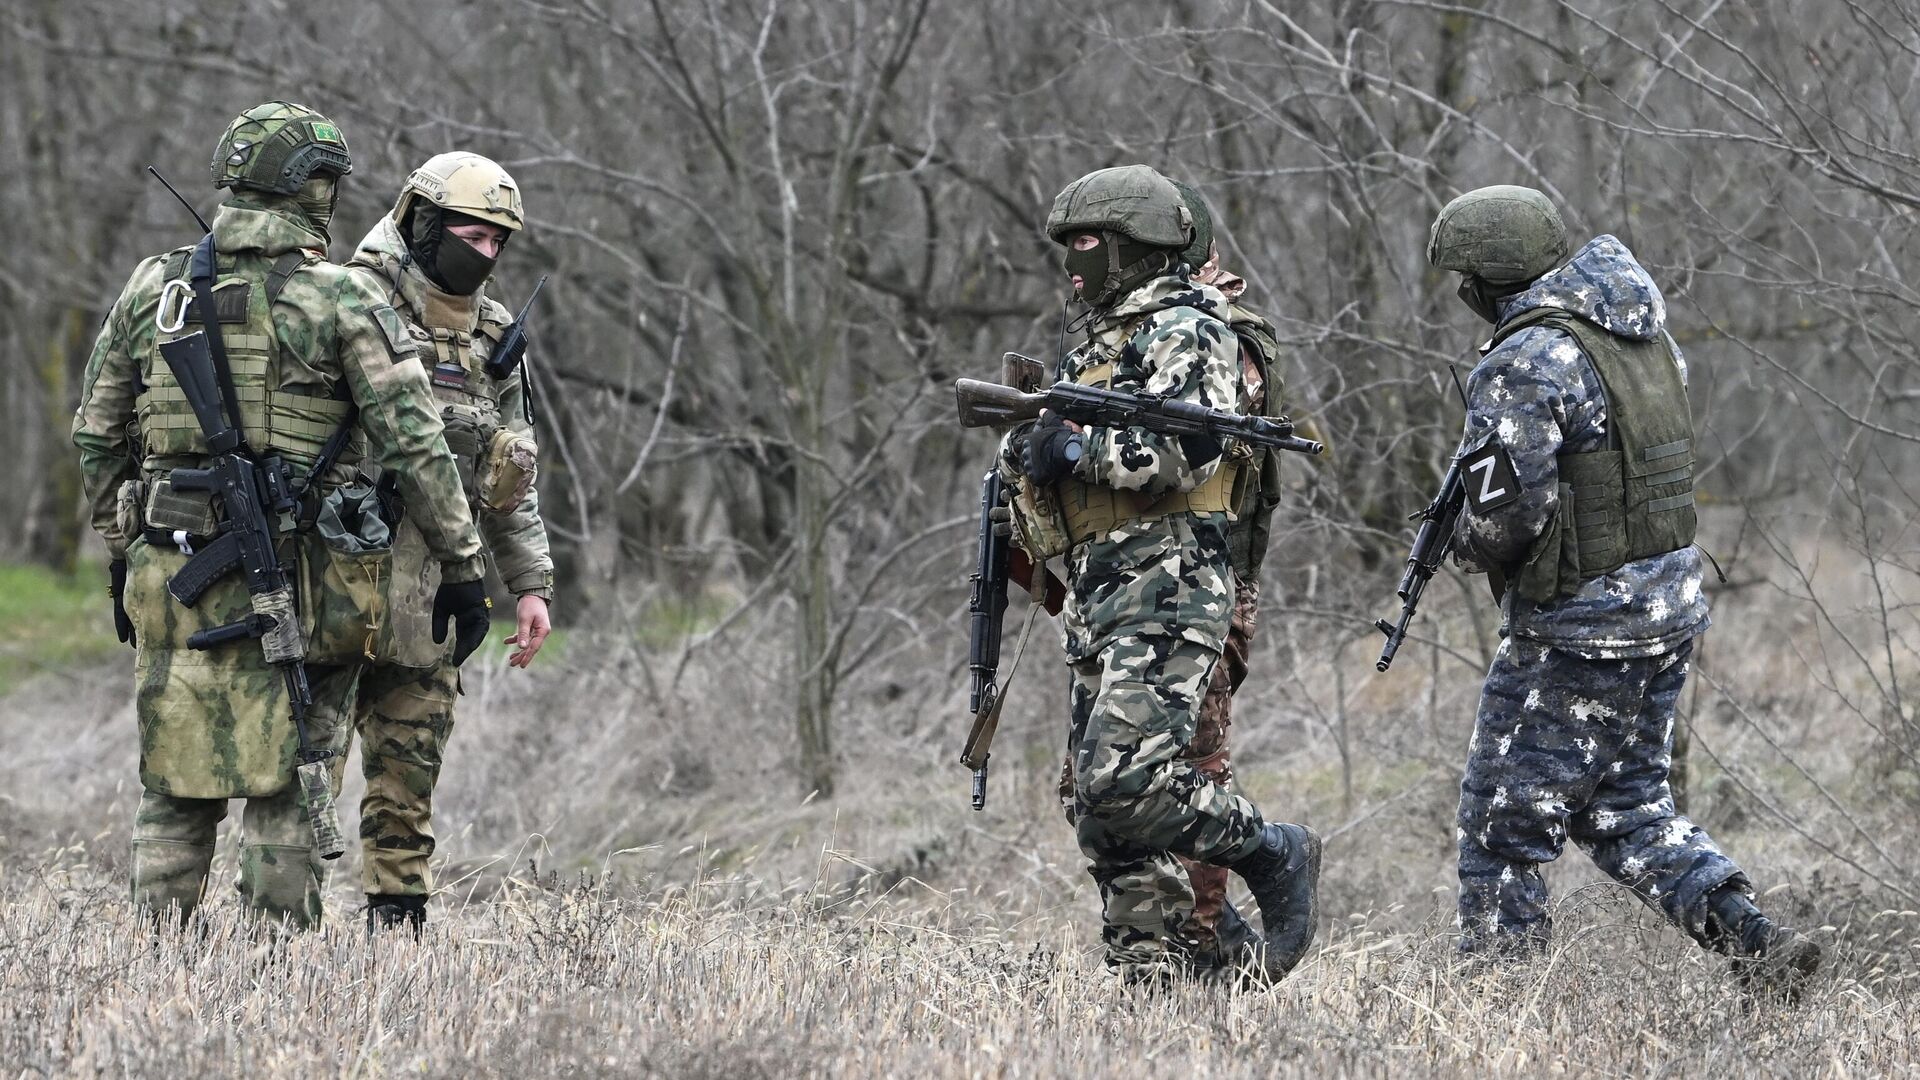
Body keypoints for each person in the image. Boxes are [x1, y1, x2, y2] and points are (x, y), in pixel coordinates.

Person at [71, 101, 491, 930]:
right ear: (317, 191)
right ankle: (271, 965)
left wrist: (123, 545)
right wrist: (466, 566)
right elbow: (416, 443)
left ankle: (157, 961)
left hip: (171, 566)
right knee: (293, 776)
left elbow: (97, 433)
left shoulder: (156, 289)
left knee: (174, 778)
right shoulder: (336, 300)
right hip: (299, 575)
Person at [1430, 184, 1821, 991]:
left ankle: (1497, 1009)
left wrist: (1465, 540)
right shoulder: (1644, 338)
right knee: (1629, 806)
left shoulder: (1525, 359)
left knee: (1502, 824)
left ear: (1485, 280)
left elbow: (1510, 517)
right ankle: (1754, 942)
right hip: (1667, 608)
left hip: (1579, 627)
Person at [1002, 164, 1320, 984]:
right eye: (1066, 244)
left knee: (1126, 780)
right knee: (1103, 819)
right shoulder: (1103, 338)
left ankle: (1272, 850)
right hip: (1105, 585)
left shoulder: (1189, 324)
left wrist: (1074, 447)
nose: (1074, 261)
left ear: (1131, 245)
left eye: (1087, 243)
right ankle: (1157, 977)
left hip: (1171, 580)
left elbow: (1187, 450)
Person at [344, 152, 555, 932]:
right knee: (302, 773)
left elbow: (511, 471)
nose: (487, 254)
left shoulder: (496, 334)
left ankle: (396, 929)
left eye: (501, 242)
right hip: (337, 581)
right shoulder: (348, 302)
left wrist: (529, 585)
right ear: (422, 221)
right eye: (472, 234)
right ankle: (274, 934)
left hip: (437, 593)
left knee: (409, 775)